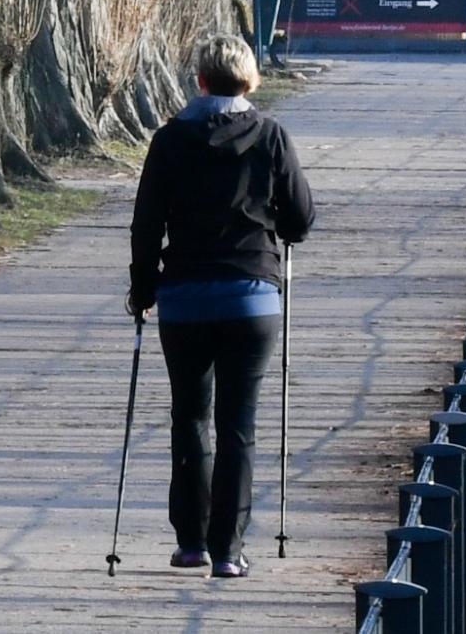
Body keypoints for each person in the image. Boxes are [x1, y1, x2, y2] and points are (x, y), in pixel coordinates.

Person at [128, 34, 314, 579]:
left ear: (201, 81)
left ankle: (191, 542)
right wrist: (272, 223)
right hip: (250, 298)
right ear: (250, 80)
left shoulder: (169, 141)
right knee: (239, 425)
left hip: (184, 299)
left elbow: (146, 224)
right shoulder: (271, 137)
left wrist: (143, 290)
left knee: (189, 417)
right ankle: (229, 551)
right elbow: (300, 219)